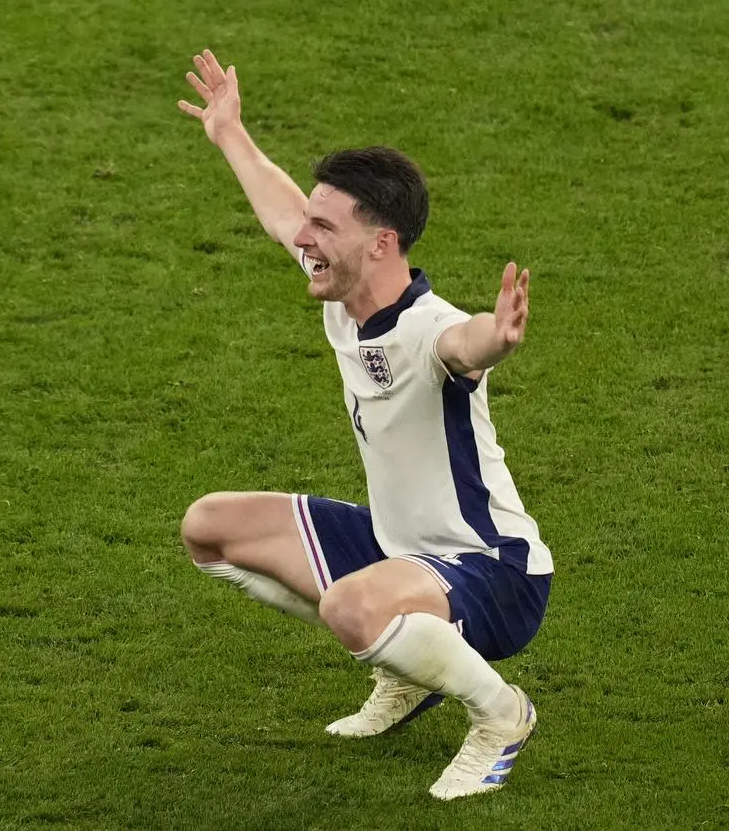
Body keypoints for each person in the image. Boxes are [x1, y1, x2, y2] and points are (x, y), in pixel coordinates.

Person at [176, 49, 554, 801]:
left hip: (493, 570)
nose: (304, 237)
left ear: (382, 242)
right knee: (207, 527)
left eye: (325, 225)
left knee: (347, 606)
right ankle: (409, 668)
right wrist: (229, 133)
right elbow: (284, 211)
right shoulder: (340, 292)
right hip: (397, 545)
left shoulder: (428, 329)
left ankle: (501, 713)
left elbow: (464, 345)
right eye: (310, 224)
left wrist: (499, 339)